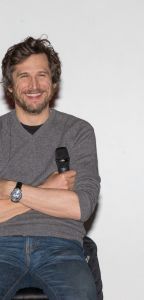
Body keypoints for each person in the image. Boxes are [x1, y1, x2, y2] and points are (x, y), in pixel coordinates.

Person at [0, 36, 101, 299]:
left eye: (42, 75)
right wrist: (47, 188)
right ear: (9, 86)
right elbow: (65, 203)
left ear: (53, 83)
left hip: (61, 247)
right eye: (23, 76)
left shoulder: (78, 131)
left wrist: (11, 187)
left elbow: (81, 206)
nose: (33, 85)